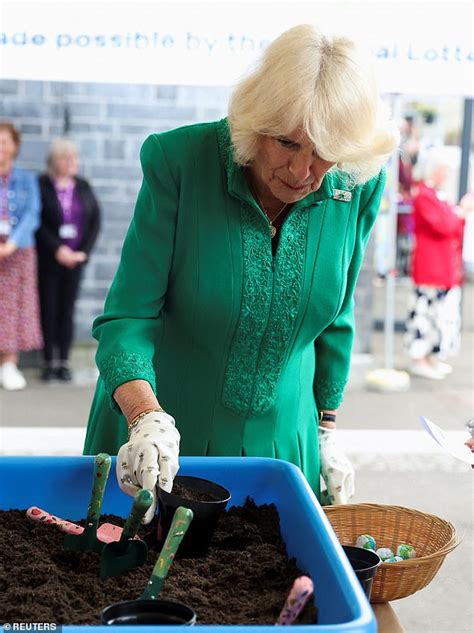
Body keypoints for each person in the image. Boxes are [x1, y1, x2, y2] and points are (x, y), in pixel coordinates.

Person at [84, 24, 399, 523]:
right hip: (156, 439)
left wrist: (327, 430)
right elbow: (127, 319)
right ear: (257, 124)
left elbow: (336, 314)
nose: (302, 170)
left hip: (282, 448)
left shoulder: (356, 185)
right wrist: (145, 417)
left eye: (324, 151)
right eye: (286, 143)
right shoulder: (180, 162)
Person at [36, 138, 101, 382]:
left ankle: (63, 361)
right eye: (66, 158)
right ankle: (48, 362)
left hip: (75, 261)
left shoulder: (83, 186)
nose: (72, 162)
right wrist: (57, 249)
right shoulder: (43, 184)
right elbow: (38, 223)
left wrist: (83, 252)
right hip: (49, 260)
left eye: (74, 158)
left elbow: (95, 221)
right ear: (55, 161)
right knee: (48, 309)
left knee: (67, 310)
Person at [405, 148, 471, 380]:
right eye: (445, 169)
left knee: (438, 316)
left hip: (443, 266)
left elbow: (453, 228)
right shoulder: (424, 194)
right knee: (424, 314)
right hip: (430, 267)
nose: (447, 174)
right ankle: (419, 358)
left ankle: (431, 357)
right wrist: (460, 213)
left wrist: (458, 216)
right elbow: (444, 226)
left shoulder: (437, 194)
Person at [0, 122, 43, 391]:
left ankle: (9, 364)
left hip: (18, 250)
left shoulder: (26, 179)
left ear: (15, 146)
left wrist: (11, 244)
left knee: (15, 306)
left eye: (5, 142)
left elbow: (32, 213)